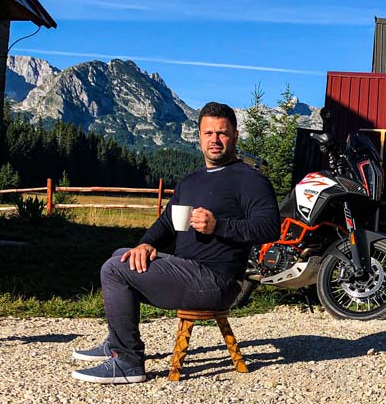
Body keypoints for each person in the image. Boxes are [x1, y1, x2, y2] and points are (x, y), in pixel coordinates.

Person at [71, 102, 280, 383]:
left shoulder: (249, 180)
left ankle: (129, 362)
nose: (215, 140)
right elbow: (167, 223)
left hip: (217, 280)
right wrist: (146, 243)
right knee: (121, 255)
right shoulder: (191, 180)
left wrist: (218, 226)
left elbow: (269, 228)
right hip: (187, 270)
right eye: (208, 133)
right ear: (199, 136)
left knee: (114, 270)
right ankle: (116, 342)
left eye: (222, 133)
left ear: (235, 136)